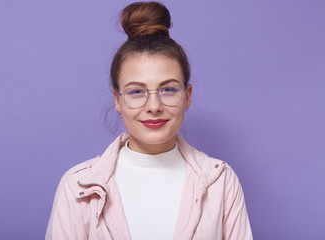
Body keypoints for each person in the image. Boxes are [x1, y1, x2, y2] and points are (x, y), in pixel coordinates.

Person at [45, 1, 253, 239]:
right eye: (136, 92)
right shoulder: (78, 186)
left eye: (168, 89)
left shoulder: (221, 182)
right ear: (117, 99)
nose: (154, 107)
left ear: (188, 96)